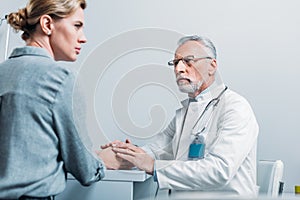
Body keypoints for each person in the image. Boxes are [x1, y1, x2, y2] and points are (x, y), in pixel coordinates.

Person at [100, 35, 259, 197]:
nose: (179, 69)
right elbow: (152, 152)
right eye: (176, 63)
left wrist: (154, 165)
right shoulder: (183, 114)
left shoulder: (236, 108)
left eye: (188, 61)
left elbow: (219, 170)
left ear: (212, 66)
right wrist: (124, 153)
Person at [0, 0, 105, 199]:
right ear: (47, 24)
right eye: (77, 26)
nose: (83, 38)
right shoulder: (61, 78)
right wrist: (102, 160)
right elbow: (86, 170)